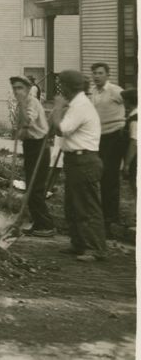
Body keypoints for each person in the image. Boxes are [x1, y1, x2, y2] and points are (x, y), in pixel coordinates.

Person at [49, 69, 106, 262]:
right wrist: (60, 110)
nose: (60, 89)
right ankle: (79, 243)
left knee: (87, 207)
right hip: (75, 161)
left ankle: (95, 249)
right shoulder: (75, 104)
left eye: (61, 85)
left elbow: (62, 129)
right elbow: (57, 130)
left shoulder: (81, 105)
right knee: (73, 206)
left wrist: (57, 107)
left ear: (68, 86)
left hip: (85, 161)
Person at [10, 75, 54, 236]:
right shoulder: (21, 104)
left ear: (28, 89)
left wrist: (21, 128)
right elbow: (21, 128)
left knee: (35, 188)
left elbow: (28, 120)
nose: (16, 91)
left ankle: (46, 225)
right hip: (30, 146)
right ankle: (38, 222)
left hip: (40, 146)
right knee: (30, 186)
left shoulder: (32, 102)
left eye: (20, 88)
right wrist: (19, 133)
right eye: (14, 88)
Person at [88, 62, 125, 232]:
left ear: (107, 75)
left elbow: (133, 103)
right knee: (100, 176)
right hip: (99, 138)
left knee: (110, 176)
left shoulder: (115, 91)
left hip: (114, 137)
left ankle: (111, 218)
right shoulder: (93, 92)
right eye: (94, 73)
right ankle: (102, 216)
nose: (96, 76)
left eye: (100, 73)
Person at [122, 88, 137, 193]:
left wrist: (127, 164)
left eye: (124, 100)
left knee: (135, 186)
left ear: (128, 101)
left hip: (136, 160)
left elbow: (134, 143)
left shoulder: (135, 119)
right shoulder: (132, 116)